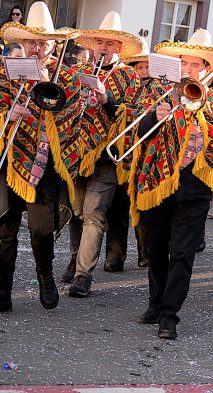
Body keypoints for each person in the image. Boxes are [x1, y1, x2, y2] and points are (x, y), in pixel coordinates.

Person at [129, 28, 213, 339]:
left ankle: (169, 315)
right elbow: (139, 133)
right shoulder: (159, 94)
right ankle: (155, 302)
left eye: (195, 65)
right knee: (156, 247)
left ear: (206, 68)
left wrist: (201, 115)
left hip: (195, 187)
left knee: (183, 253)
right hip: (159, 180)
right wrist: (155, 116)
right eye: (183, 64)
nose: (188, 70)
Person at [0, 2, 81, 312]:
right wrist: (8, 113)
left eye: (42, 42)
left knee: (41, 229)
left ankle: (44, 275)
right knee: (4, 229)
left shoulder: (69, 77)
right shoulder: (6, 72)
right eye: (31, 41)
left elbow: (74, 118)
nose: (35, 48)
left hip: (46, 163)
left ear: (53, 45)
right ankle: (2, 289)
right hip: (11, 160)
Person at [64, 11, 143, 294]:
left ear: (119, 48)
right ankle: (76, 260)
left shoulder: (130, 76)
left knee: (94, 214)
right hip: (76, 152)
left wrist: (106, 99)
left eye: (110, 44)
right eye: (99, 42)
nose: (103, 48)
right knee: (76, 212)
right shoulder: (79, 73)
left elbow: (133, 115)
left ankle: (83, 275)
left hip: (107, 156)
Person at [102, 38, 152, 271]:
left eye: (146, 66)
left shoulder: (159, 89)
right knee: (117, 207)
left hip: (145, 156)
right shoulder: (122, 83)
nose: (142, 70)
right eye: (138, 67)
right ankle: (115, 256)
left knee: (141, 207)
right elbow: (113, 109)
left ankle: (145, 253)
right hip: (120, 151)